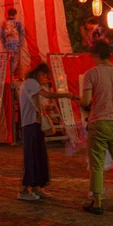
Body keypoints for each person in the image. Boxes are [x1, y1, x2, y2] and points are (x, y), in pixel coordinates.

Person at [81, 40, 113, 215]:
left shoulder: (91, 74)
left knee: (96, 164)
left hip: (98, 122)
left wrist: (85, 102)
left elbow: (86, 101)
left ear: (96, 55)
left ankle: (97, 204)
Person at [18, 62, 78, 201]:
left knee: (39, 156)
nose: (45, 79)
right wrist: (66, 95)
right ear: (39, 73)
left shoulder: (30, 84)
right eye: (45, 76)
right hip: (30, 125)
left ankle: (37, 187)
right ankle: (24, 190)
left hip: (34, 124)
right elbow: (48, 95)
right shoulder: (31, 82)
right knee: (32, 157)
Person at [0, 8, 26, 78]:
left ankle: (7, 76)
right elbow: (22, 32)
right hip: (16, 43)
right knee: (15, 59)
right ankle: (11, 76)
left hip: (8, 43)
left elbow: (1, 34)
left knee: (8, 59)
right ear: (15, 14)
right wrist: (21, 42)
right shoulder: (18, 22)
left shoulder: (4, 23)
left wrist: (4, 43)